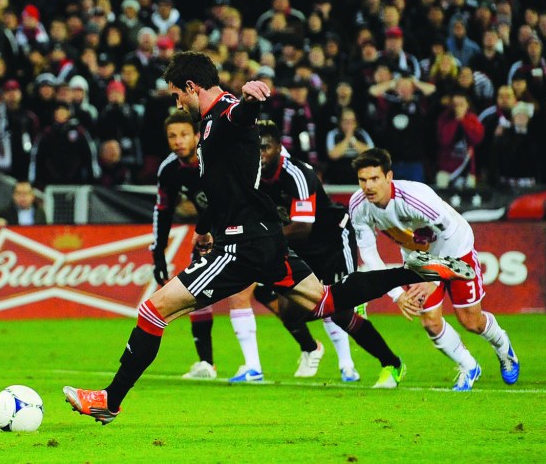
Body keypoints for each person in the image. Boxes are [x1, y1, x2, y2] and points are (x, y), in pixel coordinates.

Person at [63, 51, 475, 424]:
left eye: (176, 95)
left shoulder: (223, 113)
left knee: (153, 312)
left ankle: (110, 400)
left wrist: (252, 101)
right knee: (327, 301)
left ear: (191, 87)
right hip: (263, 239)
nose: (177, 105)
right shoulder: (210, 121)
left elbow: (239, 118)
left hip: (240, 245)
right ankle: (411, 270)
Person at [349, 148, 519, 391]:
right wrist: (397, 295)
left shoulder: (415, 199)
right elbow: (368, 252)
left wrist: (434, 278)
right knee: (430, 322)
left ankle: (504, 348)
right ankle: (469, 366)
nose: (368, 186)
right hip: (419, 258)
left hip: (455, 250)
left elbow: (449, 232)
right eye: (362, 180)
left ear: (389, 177)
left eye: (374, 178)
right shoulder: (359, 206)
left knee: (471, 321)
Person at [257, 122, 405, 387]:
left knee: (340, 311)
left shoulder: (297, 173)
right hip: (300, 248)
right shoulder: (251, 176)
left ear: (279, 148)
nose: (259, 154)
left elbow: (302, 227)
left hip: (332, 240)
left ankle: (390, 364)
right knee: (285, 309)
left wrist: (260, 239)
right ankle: (315, 346)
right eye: (254, 148)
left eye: (265, 147)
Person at [151, 110, 265, 382]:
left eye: (184, 134)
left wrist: (208, 229)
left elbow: (229, 198)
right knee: (195, 293)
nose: (178, 141)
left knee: (277, 298)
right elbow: (163, 211)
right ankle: (206, 362)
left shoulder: (213, 158)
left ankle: (311, 347)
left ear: (197, 135)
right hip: (209, 233)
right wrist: (158, 256)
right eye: (172, 136)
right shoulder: (169, 170)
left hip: (243, 228)